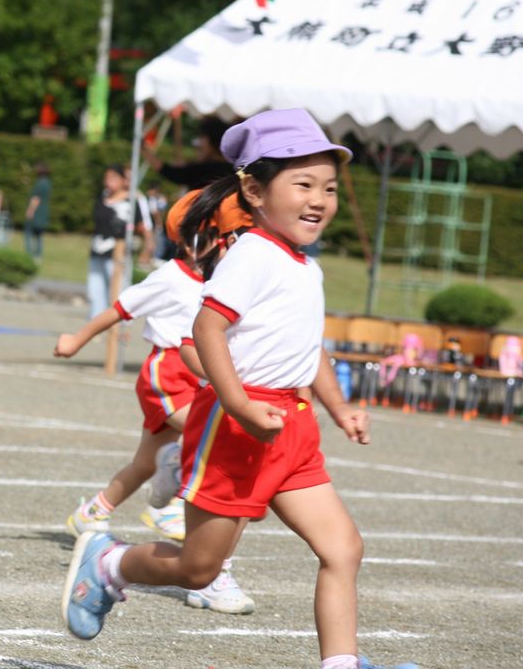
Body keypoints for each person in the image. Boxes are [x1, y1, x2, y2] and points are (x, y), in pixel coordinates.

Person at [61, 109, 418, 669]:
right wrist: (239, 404)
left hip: (291, 427)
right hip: (235, 425)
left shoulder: (307, 266)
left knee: (343, 549)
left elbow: (308, 349)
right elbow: (206, 328)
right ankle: (109, 565)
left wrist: (341, 407)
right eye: (302, 184)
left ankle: (341, 665)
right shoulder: (252, 254)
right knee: (198, 569)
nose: (319, 199)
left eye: (327, 187)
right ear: (254, 190)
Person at [55, 188, 256, 615]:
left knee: (145, 461)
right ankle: (173, 495)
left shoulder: (223, 280)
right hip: (167, 373)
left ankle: (92, 511)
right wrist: (76, 339)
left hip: (198, 374)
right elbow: (119, 309)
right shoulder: (170, 277)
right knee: (207, 436)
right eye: (225, 233)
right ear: (191, 239)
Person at [87, 165, 150, 319]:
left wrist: (146, 249)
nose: (109, 182)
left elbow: (143, 228)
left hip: (119, 253)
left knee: (118, 291)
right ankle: (96, 322)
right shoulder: (102, 198)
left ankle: (118, 328)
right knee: (95, 290)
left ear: (123, 180)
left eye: (113, 178)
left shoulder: (133, 200)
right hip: (98, 249)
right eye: (107, 178)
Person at [144, 115, 235, 190]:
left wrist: (143, 150)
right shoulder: (234, 170)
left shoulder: (207, 170)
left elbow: (172, 173)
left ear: (213, 141)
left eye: (202, 137)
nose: (198, 144)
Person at [24, 162, 51, 260]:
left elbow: (36, 199)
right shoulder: (48, 183)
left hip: (36, 213)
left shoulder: (39, 184)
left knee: (28, 234)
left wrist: (30, 210)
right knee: (39, 236)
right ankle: (38, 255)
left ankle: (29, 255)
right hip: (43, 213)